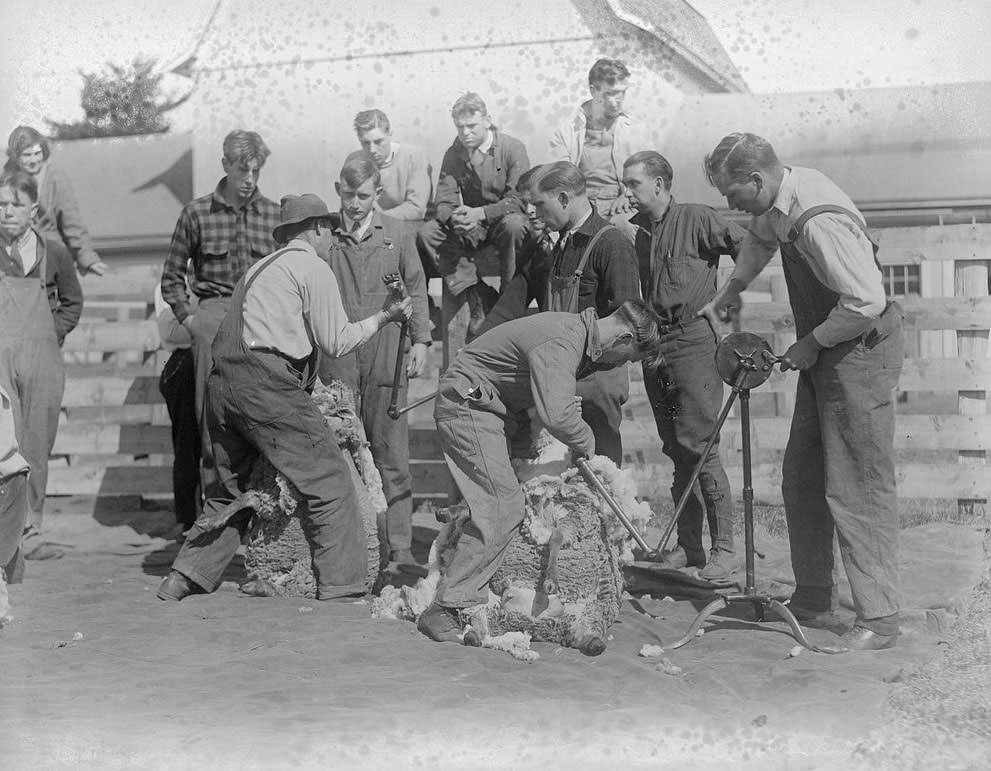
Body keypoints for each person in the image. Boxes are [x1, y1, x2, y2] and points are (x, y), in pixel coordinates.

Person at [699, 132, 904, 650]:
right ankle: (814, 597)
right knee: (803, 476)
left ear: (756, 178)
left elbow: (865, 302)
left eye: (733, 194)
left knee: (856, 483)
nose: (730, 205)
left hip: (859, 347)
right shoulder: (780, 200)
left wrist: (810, 343)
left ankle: (880, 619)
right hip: (831, 346)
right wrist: (730, 292)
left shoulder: (817, 219)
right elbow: (761, 239)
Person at [157, 194, 412, 602]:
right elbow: (338, 341)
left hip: (222, 384)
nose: (334, 237)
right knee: (328, 477)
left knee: (231, 488)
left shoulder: (258, 268)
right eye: (330, 229)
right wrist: (386, 317)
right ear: (315, 230)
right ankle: (343, 586)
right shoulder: (312, 265)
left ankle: (184, 575)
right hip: (266, 383)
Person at [416, 300, 663, 642]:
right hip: (469, 407)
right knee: (503, 506)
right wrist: (586, 442)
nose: (621, 364)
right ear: (623, 337)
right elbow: (557, 416)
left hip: (489, 408)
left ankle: (471, 596)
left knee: (505, 504)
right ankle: (446, 606)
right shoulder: (563, 340)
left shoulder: (570, 335)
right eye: (629, 356)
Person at [622, 151, 745, 581]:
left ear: (658, 183)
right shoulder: (638, 232)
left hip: (694, 341)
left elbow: (746, 247)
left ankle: (725, 550)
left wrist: (725, 301)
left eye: (633, 183)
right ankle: (690, 547)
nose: (627, 192)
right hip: (657, 346)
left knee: (701, 446)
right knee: (675, 446)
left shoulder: (697, 218)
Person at [478, 161, 641, 465]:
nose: (535, 215)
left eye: (540, 205)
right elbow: (512, 302)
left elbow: (627, 322)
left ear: (564, 199)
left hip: (597, 380)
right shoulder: (550, 247)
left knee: (600, 471)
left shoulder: (611, 244)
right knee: (557, 481)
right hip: (558, 377)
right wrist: (473, 351)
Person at [320, 156, 431, 567]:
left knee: (391, 452)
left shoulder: (399, 234)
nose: (353, 203)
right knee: (342, 452)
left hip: (387, 349)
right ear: (338, 189)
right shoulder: (324, 236)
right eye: (348, 194)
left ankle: (400, 549)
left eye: (363, 195)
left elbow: (416, 288)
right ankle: (350, 547)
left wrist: (422, 340)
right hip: (339, 352)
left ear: (377, 194)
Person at [160, 130, 280, 497]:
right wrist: (192, 322)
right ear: (225, 165)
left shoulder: (274, 214)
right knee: (211, 420)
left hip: (262, 322)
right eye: (242, 171)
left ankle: (260, 511)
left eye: (256, 172)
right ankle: (218, 511)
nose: (249, 180)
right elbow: (171, 278)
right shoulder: (196, 213)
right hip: (211, 318)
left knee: (263, 415)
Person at [0, 171, 83, 563]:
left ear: (33, 208)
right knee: (3, 445)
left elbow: (73, 302)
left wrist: (53, 333)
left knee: (35, 447)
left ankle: (30, 531)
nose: (6, 212)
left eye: (15, 204)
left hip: (42, 361)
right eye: (0, 204)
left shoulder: (56, 253)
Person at [418, 93, 530, 334]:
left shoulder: (512, 148)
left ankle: (506, 302)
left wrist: (480, 213)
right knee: (428, 232)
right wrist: (455, 218)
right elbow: (444, 200)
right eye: (460, 127)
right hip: (471, 226)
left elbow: (519, 199)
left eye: (471, 126)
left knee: (515, 224)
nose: (465, 133)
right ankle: (477, 292)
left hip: (502, 222)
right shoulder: (454, 153)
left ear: (487, 120)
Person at [549, 59, 642, 243]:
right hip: (581, 205)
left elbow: (648, 172)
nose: (618, 101)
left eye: (622, 93)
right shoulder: (567, 131)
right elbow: (556, 180)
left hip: (622, 205)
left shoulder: (635, 130)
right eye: (611, 93)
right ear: (593, 90)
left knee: (626, 227)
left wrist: (628, 193)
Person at [4, 126, 107, 276]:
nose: (33, 160)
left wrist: (88, 258)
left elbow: (72, 223)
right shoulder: (6, 179)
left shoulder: (56, 178)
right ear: (15, 156)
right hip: (13, 256)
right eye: (27, 155)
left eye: (37, 153)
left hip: (49, 252)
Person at [154, 285, 200, 537]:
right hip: (183, 364)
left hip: (213, 360)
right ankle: (189, 520)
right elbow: (172, 332)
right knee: (186, 445)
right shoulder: (173, 281)